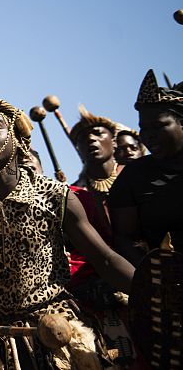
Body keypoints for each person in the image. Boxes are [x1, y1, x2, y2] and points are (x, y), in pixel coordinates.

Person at [0, 83, 135, 368]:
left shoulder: (56, 195)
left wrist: (150, 290)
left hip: (55, 329)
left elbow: (105, 258)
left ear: (17, 139)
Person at [67, 107, 137, 366]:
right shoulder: (73, 196)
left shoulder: (137, 180)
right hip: (101, 296)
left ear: (114, 139)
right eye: (83, 139)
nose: (91, 141)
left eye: (98, 133)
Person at [111, 70, 183, 265]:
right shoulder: (134, 176)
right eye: (144, 128)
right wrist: (154, 276)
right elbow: (125, 238)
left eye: (158, 126)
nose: (148, 135)